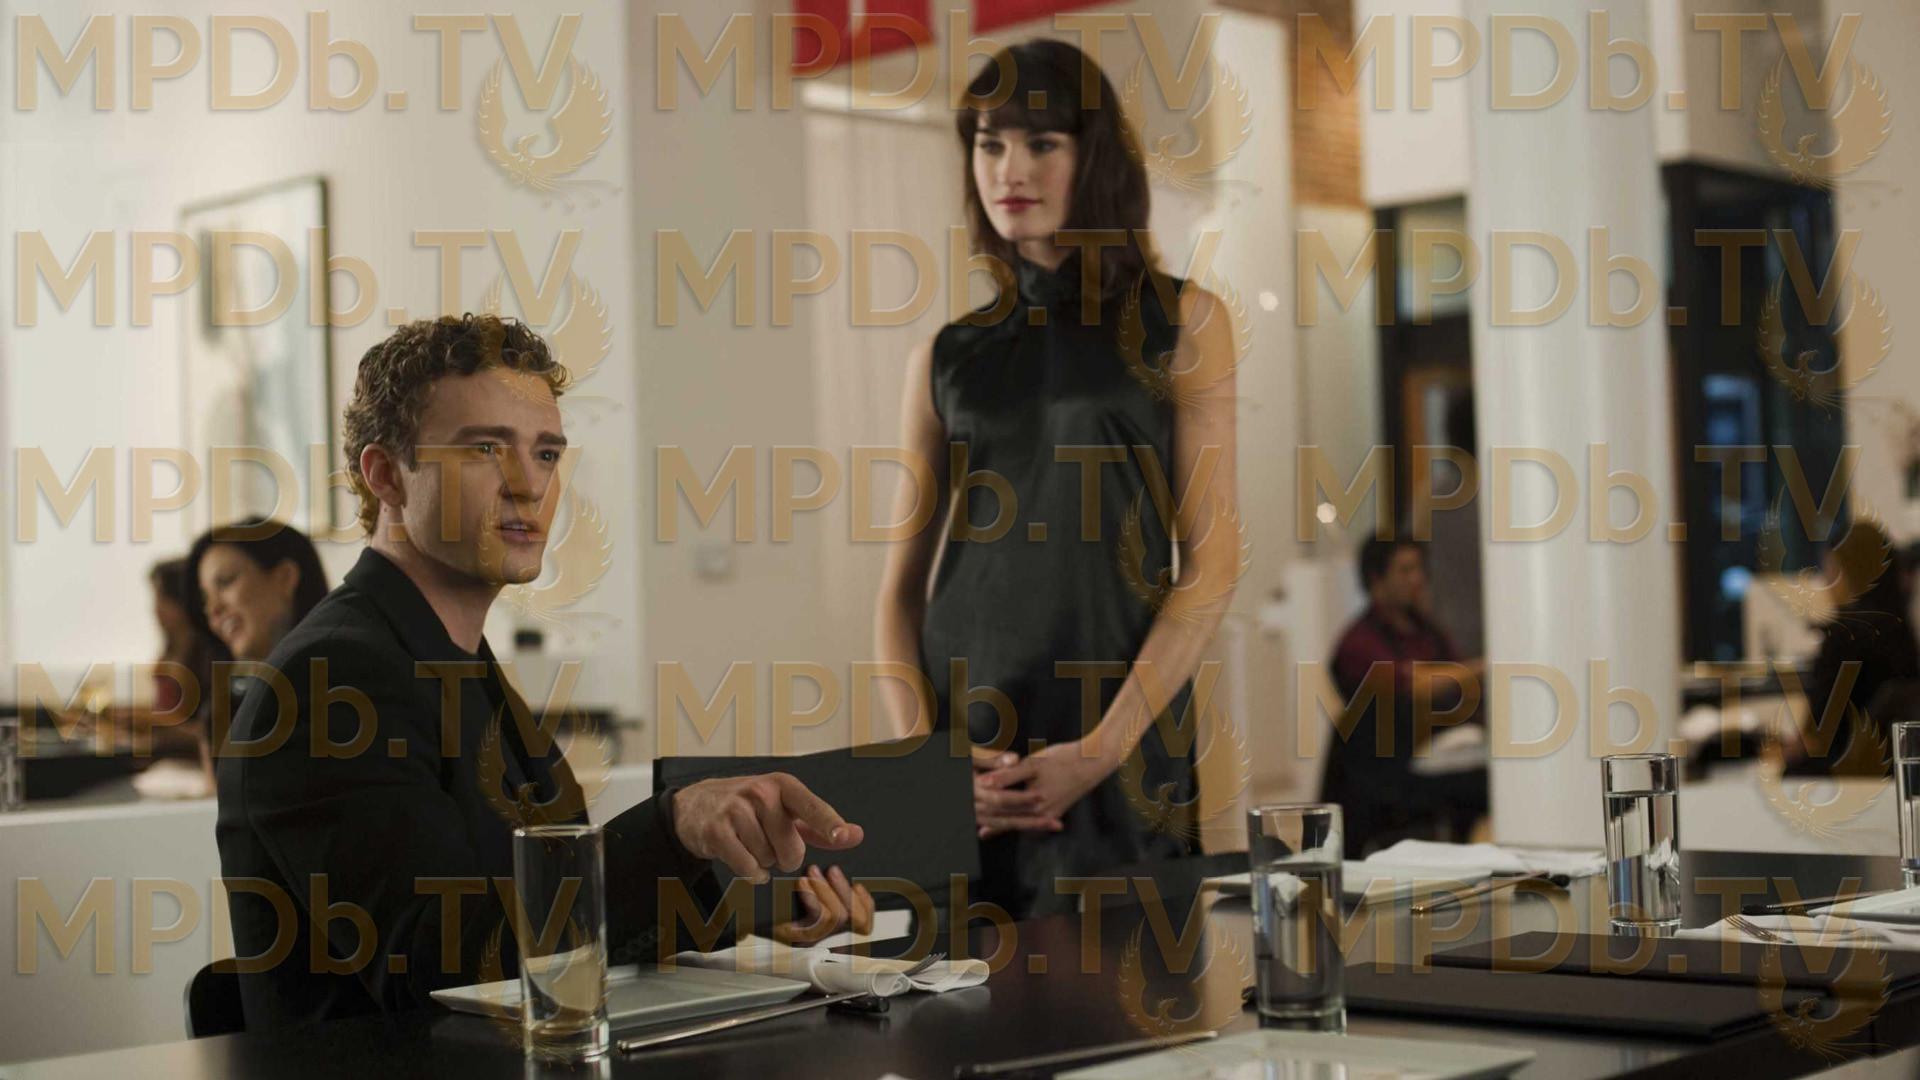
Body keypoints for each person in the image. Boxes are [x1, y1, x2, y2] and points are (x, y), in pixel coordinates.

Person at [217, 314, 872, 1031]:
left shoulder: (453, 661)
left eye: (547, 453)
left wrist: (758, 927)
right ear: (386, 475)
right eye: (484, 450)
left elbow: (557, 933)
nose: (527, 486)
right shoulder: (331, 681)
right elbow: (448, 969)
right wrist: (673, 825)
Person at [873, 40, 1240, 918]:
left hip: (1115, 744)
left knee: (1131, 984)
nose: (1011, 169)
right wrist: (926, 769)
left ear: (1094, 156)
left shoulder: (1184, 321)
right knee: (959, 996)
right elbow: (897, 596)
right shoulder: (946, 356)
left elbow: (1213, 565)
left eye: (1041, 143)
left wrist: (1104, 749)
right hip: (969, 760)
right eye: (990, 143)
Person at [1321, 536, 1488, 857]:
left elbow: (1455, 681)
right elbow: (1414, 685)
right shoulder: (1358, 642)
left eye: (1419, 569)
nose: (1418, 579)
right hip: (1377, 776)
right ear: (1376, 579)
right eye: (1405, 570)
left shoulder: (1427, 631)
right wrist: (1483, 666)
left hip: (1427, 761)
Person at [1784, 518, 1920, 773]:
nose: (1827, 583)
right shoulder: (1903, 633)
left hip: (1841, 772)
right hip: (1891, 772)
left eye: (1831, 571)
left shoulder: (1844, 636)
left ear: (1850, 572)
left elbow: (1820, 731)